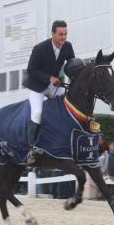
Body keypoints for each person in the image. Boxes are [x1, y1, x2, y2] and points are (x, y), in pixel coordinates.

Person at [22, 20, 75, 165]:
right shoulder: (39, 48)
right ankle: (31, 149)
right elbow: (31, 70)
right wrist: (48, 78)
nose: (63, 37)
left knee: (68, 105)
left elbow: (71, 65)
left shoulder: (67, 46)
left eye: (65, 34)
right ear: (52, 34)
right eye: (60, 34)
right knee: (37, 112)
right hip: (37, 86)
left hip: (54, 85)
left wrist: (75, 78)